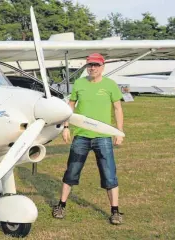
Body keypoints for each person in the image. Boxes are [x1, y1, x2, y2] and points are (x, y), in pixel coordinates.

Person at [52, 53, 125, 225]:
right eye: (90, 65)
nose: (93, 68)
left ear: (102, 67)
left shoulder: (110, 85)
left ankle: (115, 211)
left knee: (109, 174)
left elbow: (117, 109)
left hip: (103, 137)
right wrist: (66, 127)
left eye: (96, 65)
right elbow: (69, 106)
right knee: (71, 171)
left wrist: (119, 132)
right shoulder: (79, 83)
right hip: (81, 136)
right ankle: (61, 205)